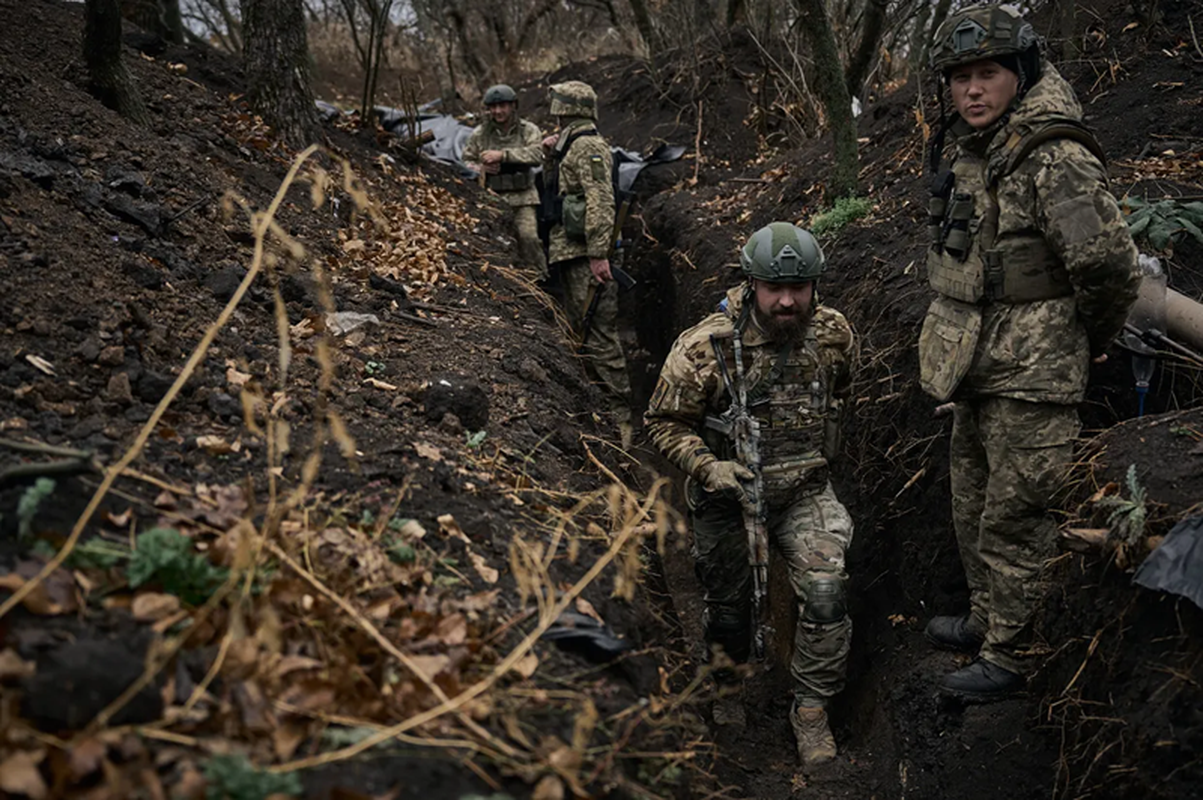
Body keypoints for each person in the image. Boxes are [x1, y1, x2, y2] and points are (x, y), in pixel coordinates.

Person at [919, 4, 1140, 701]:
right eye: (959, 77)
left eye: (986, 74)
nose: (971, 90)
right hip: (976, 363)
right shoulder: (974, 149)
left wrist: (1088, 341)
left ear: (1019, 74)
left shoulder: (1056, 154)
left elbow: (1105, 264)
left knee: (1018, 517)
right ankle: (987, 621)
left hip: (1035, 370)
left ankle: (1013, 655)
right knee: (972, 504)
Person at [644, 222, 856, 767]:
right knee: (730, 611)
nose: (787, 302)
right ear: (751, 283)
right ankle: (727, 684)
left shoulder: (833, 334)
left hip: (805, 491)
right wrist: (709, 466)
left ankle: (810, 710)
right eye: (773, 289)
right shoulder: (704, 347)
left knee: (828, 595)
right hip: (729, 498)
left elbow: (842, 395)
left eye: (800, 289)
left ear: (816, 286)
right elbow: (663, 423)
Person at [542, 80, 633, 445]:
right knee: (582, 331)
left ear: (565, 110)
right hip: (573, 254)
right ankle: (599, 407)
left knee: (601, 337)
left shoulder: (588, 146)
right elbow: (556, 191)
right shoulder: (571, 146)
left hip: (587, 257)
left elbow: (600, 200)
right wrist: (551, 155)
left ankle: (622, 419)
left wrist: (598, 254)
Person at [462, 84, 547, 281]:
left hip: (523, 196)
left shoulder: (528, 130)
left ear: (513, 106)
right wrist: (480, 169)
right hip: (492, 198)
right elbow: (465, 161)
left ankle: (539, 279)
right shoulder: (480, 133)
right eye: (493, 107)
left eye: (503, 106)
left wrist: (503, 155)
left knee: (529, 239)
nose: (498, 111)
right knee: (497, 246)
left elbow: (537, 154)